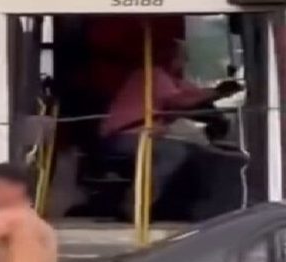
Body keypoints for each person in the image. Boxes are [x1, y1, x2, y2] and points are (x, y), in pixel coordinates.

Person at [100, 40, 243, 207]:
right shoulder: (153, 74)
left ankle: (177, 200)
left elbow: (193, 93)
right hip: (126, 136)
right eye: (182, 58)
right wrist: (218, 92)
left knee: (196, 150)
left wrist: (219, 92)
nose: (185, 62)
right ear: (170, 57)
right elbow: (179, 100)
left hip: (140, 135)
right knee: (175, 152)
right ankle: (139, 201)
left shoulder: (170, 79)